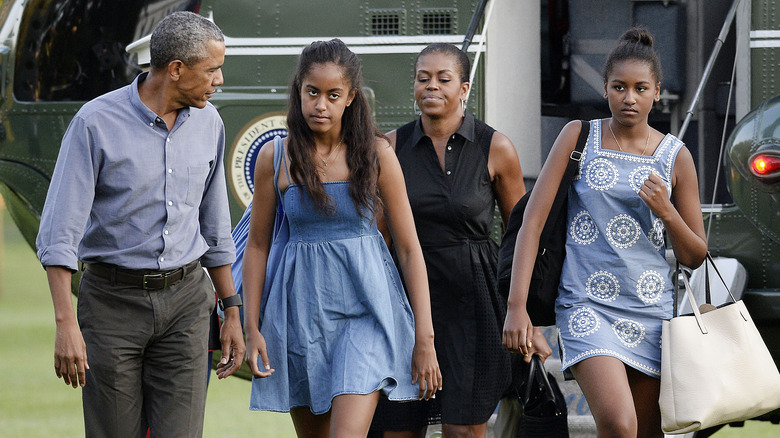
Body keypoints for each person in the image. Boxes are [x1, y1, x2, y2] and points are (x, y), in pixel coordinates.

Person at [35, 11, 245, 437]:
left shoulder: (210, 123)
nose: (219, 80)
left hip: (187, 302)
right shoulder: (94, 123)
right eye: (213, 70)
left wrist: (232, 310)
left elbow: (216, 229)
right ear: (176, 69)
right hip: (111, 306)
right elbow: (60, 233)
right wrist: (65, 325)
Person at [503, 27, 708, 438]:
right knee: (619, 423)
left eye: (639, 88)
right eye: (619, 87)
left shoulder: (676, 156)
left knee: (646, 433)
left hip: (651, 312)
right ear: (605, 88)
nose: (629, 97)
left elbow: (695, 255)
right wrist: (516, 306)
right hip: (586, 305)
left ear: (656, 92)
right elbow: (532, 223)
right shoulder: (578, 136)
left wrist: (666, 211)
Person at [240, 39, 441, 438]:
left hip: (366, 312)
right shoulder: (275, 157)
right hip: (298, 314)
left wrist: (425, 337)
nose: (320, 105)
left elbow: (408, 248)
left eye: (333, 95)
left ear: (350, 97)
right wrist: (251, 327)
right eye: (312, 92)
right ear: (299, 90)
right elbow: (258, 245)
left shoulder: (377, 154)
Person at [370, 42, 550, 438]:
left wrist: (527, 314)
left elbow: (522, 234)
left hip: (476, 303)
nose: (431, 86)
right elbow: (377, 238)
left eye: (443, 79)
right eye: (423, 78)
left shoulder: (496, 147)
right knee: (397, 428)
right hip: (406, 302)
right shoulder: (390, 148)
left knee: (463, 429)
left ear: (465, 89)